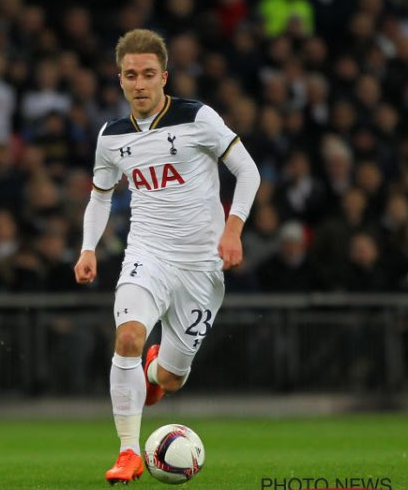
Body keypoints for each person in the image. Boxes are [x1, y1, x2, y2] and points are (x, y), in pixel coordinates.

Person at [73, 29, 260, 485]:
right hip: (147, 253)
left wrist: (233, 230)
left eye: (148, 75)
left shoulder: (198, 118)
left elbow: (247, 171)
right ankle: (128, 453)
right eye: (131, 75)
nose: (139, 84)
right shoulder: (111, 137)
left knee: (171, 379)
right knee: (128, 338)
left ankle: (157, 373)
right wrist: (88, 248)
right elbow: (99, 197)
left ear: (164, 76)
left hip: (201, 266)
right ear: (119, 79)